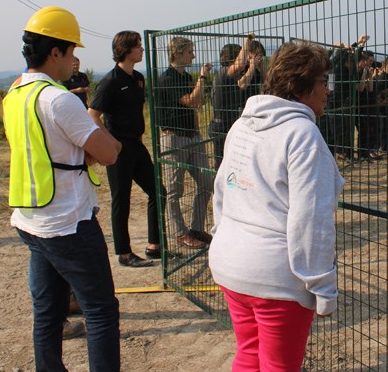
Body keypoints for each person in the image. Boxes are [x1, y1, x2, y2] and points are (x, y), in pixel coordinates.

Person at [209, 40, 344, 372]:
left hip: (231, 264)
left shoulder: (242, 125)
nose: (328, 91)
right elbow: (310, 220)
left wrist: (221, 237)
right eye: (323, 81)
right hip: (274, 278)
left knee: (249, 356)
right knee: (278, 371)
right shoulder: (302, 135)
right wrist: (322, 285)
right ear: (301, 86)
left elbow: (222, 190)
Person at [3, 6, 122, 372]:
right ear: (55, 52)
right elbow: (109, 153)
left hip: (31, 219)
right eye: (71, 51)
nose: (75, 59)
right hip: (68, 221)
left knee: (48, 311)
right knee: (100, 309)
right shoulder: (60, 100)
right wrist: (96, 138)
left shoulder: (15, 94)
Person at [89, 31, 161, 267]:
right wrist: (111, 142)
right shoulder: (110, 81)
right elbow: (93, 116)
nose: (142, 49)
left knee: (157, 191)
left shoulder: (138, 78)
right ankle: (125, 253)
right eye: (138, 45)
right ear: (126, 50)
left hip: (137, 145)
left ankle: (154, 246)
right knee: (122, 200)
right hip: (119, 148)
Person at [157, 36, 214, 249]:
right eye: (190, 51)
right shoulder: (167, 79)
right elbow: (192, 101)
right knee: (174, 189)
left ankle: (196, 229)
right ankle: (180, 233)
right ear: (177, 53)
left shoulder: (186, 76)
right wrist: (202, 77)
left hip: (192, 136)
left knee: (207, 183)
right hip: (174, 138)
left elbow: (196, 105)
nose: (193, 55)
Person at [209, 34, 264, 169]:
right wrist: (251, 64)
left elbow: (267, 82)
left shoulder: (242, 72)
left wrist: (260, 66)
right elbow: (242, 84)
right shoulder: (224, 73)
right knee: (223, 165)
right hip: (221, 125)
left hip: (233, 122)